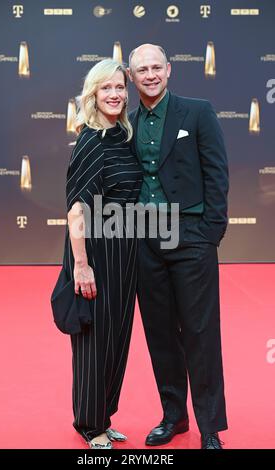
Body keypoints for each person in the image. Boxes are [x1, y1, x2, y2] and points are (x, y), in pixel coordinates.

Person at [128, 44, 229, 449]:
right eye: (141, 70)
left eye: (156, 67)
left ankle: (209, 427)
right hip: (143, 241)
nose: (150, 74)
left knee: (201, 333)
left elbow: (217, 173)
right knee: (160, 333)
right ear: (131, 77)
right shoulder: (127, 124)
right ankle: (174, 417)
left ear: (169, 70)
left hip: (191, 238)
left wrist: (209, 233)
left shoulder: (198, 111)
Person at [63, 59, 142, 449]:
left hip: (125, 252)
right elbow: (77, 209)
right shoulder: (91, 139)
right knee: (95, 342)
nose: (114, 94)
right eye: (105, 88)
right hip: (97, 253)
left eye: (119, 87)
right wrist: (82, 265)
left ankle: (104, 417)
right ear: (92, 95)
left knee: (117, 339)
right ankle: (90, 424)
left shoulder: (122, 135)